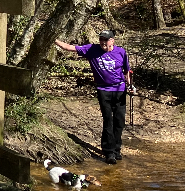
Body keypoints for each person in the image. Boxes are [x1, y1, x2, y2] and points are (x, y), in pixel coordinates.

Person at [54, 31, 133, 164]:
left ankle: (117, 149)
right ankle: (109, 152)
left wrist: (130, 86)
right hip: (103, 90)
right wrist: (52, 38)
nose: (103, 42)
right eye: (101, 39)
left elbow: (127, 71)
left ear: (112, 41)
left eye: (106, 40)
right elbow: (69, 47)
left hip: (120, 89)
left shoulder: (121, 52)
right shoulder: (92, 49)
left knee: (119, 121)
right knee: (108, 120)